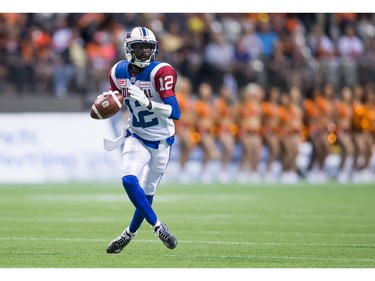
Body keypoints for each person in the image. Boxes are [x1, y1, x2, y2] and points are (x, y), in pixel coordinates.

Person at [99, 26, 181, 254]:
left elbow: (175, 112)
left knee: (146, 192)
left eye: (148, 47)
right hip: (136, 135)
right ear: (128, 49)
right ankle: (158, 227)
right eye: (139, 47)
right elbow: (116, 100)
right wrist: (106, 102)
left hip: (163, 140)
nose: (144, 52)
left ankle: (128, 234)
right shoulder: (118, 72)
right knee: (128, 180)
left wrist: (148, 103)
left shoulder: (161, 72)